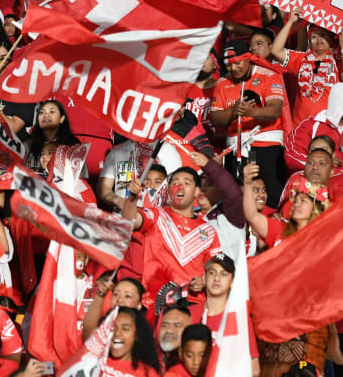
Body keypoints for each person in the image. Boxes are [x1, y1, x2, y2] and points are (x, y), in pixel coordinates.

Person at [120, 167, 220, 303]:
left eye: (186, 183)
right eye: (174, 183)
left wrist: (203, 281)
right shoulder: (156, 215)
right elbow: (129, 220)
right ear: (168, 191)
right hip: (155, 303)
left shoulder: (208, 230)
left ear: (197, 191)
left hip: (193, 304)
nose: (180, 187)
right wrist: (132, 198)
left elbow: (215, 270)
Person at [209, 39, 286, 207]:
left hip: (266, 143)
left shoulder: (269, 75)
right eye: (228, 65)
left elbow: (274, 110)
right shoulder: (222, 83)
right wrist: (232, 111)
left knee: (270, 192)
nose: (233, 69)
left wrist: (251, 112)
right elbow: (215, 119)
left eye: (237, 63)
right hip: (235, 146)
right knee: (236, 195)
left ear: (248, 58)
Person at [271, 9, 343, 123]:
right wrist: (290, 22)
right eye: (314, 36)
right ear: (309, 40)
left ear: (330, 40)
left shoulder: (338, 62)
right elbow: (276, 50)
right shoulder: (301, 59)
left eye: (323, 35)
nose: (319, 39)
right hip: (301, 124)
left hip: (326, 125)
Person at [105, 307, 161, 377]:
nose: (117, 333)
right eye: (112, 328)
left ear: (136, 335)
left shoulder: (148, 373)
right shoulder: (95, 361)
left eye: (125, 329)